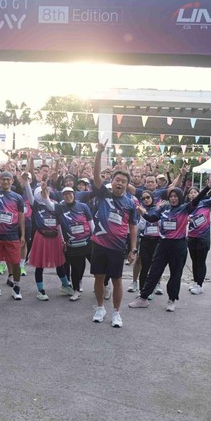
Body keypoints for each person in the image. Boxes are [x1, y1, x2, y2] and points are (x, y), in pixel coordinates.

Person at [128, 173, 211, 312]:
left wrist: (208, 187)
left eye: (176, 196)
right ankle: (143, 298)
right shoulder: (164, 208)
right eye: (171, 196)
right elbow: (152, 219)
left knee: (175, 274)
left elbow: (197, 199)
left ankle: (171, 300)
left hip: (178, 246)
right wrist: (143, 213)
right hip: (163, 245)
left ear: (180, 197)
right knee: (154, 272)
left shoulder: (185, 208)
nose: (173, 198)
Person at [90, 140, 138, 327]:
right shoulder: (104, 194)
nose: (120, 183)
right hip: (99, 244)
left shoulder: (130, 204)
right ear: (112, 181)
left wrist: (133, 249)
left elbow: (133, 227)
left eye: (124, 181)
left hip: (118, 248)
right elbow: (96, 176)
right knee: (99, 278)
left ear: (127, 185)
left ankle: (116, 313)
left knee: (117, 280)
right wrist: (99, 153)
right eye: (117, 180)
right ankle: (100, 307)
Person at [0, 152, 26, 300]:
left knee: (15, 263)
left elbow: (21, 217)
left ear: (12, 181)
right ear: (0, 181)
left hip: (12, 235)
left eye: (8, 179)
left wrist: (22, 234)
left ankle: (16, 287)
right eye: (3, 179)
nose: (5, 181)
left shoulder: (18, 197)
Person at [28, 182, 75, 301]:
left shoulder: (55, 205)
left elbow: (59, 224)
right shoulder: (36, 205)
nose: (44, 193)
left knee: (59, 263)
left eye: (46, 191)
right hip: (41, 236)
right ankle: (40, 290)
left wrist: (63, 239)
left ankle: (65, 285)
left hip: (55, 236)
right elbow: (29, 194)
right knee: (40, 264)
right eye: (41, 192)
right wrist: (27, 182)